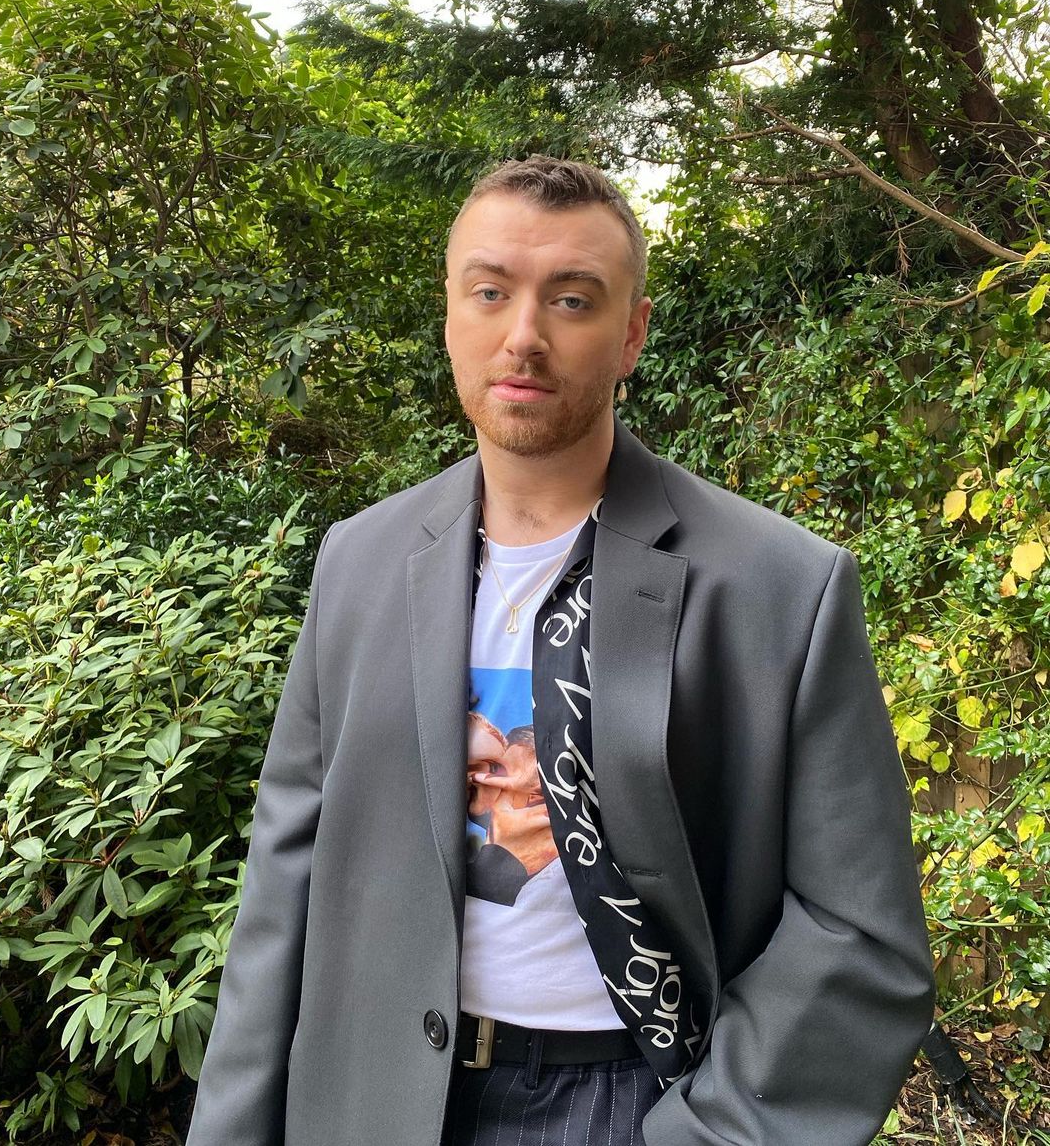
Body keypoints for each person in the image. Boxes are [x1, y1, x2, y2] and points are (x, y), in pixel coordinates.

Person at [185, 155, 936, 1146]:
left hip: (633, 1102)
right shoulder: (359, 561)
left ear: (632, 333)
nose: (524, 336)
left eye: (572, 299)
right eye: (490, 292)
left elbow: (859, 932)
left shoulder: (777, 586)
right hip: (374, 1100)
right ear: (450, 314)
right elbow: (284, 881)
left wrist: (706, 1133)